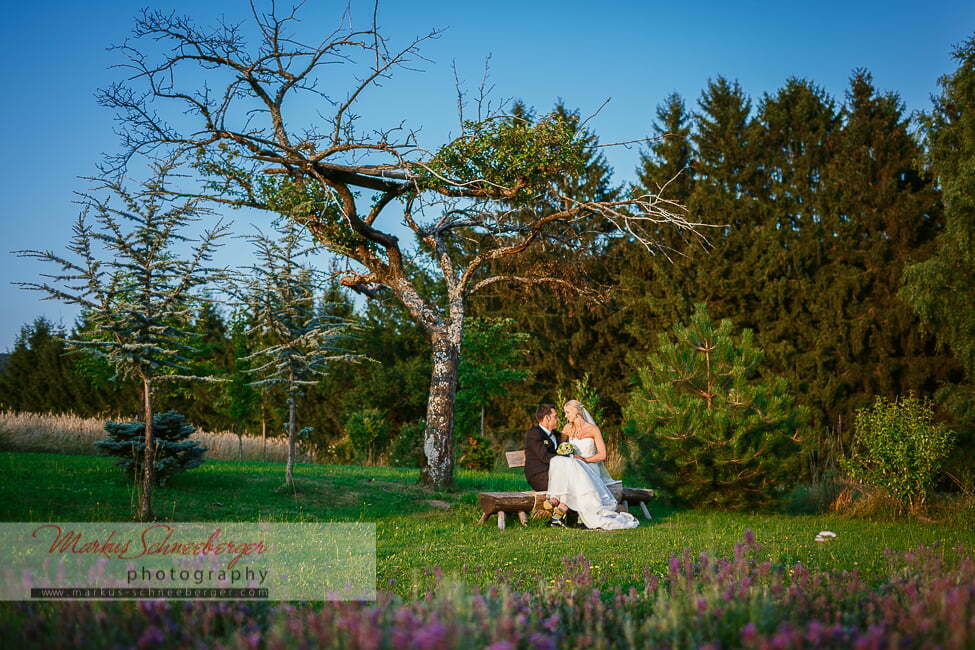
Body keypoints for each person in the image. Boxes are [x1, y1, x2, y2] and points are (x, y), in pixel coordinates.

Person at [545, 400, 639, 530]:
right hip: (574, 468)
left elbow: (603, 455)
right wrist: (564, 450)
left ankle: (559, 512)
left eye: (567, 412)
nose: (565, 416)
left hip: (591, 466)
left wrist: (585, 459)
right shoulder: (567, 429)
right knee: (563, 463)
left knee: (574, 471)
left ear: (577, 412)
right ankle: (567, 516)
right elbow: (560, 450)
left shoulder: (593, 430)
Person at [523, 404, 571, 527]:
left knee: (573, 480)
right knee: (571, 482)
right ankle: (560, 514)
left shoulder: (555, 434)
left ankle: (557, 515)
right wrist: (567, 461)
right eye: (555, 417)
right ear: (547, 418)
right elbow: (545, 457)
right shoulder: (534, 434)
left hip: (555, 474)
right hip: (539, 476)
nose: (558, 419)